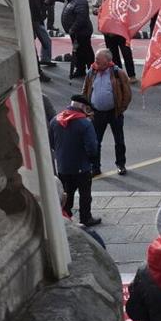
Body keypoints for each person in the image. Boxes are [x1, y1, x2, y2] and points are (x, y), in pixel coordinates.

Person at [50, 95, 101, 227]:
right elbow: (92, 147)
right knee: (85, 194)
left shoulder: (55, 120)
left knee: (67, 193)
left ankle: (66, 215)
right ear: (83, 107)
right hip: (81, 166)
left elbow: (51, 142)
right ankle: (85, 217)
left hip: (62, 166)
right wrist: (91, 160)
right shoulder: (85, 123)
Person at [82, 49, 132, 176]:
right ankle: (95, 167)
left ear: (108, 61)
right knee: (95, 141)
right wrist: (87, 108)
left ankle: (121, 164)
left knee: (119, 140)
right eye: (96, 58)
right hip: (97, 113)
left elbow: (127, 93)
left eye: (99, 59)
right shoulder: (91, 72)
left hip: (114, 112)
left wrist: (121, 108)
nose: (96, 61)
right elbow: (85, 90)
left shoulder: (117, 73)